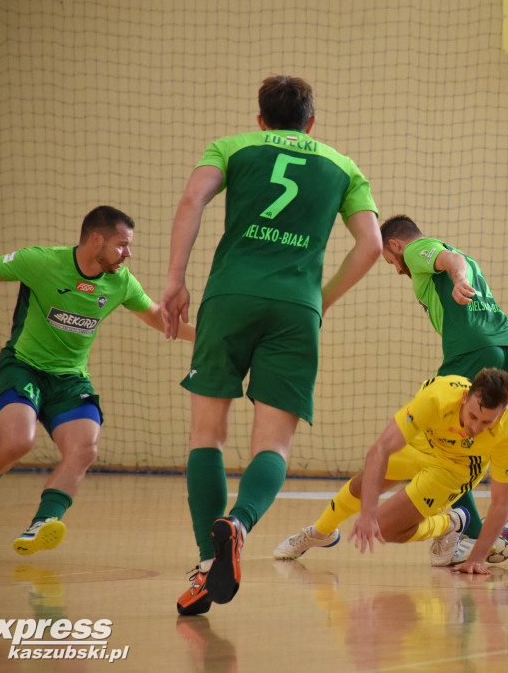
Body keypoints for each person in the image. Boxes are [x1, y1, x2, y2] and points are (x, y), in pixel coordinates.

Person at [162, 74, 381, 616]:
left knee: (206, 435)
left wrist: (175, 279)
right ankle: (238, 525)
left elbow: (193, 198)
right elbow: (372, 245)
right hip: (295, 307)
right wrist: (319, 300)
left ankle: (205, 563)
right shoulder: (342, 165)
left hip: (228, 295)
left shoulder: (233, 146)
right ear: (312, 122)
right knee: (273, 445)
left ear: (260, 119)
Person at [0, 206, 192, 555]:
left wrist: (210, 339)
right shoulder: (41, 261)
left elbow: (159, 318)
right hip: (23, 367)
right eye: (122, 244)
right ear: (96, 239)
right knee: (18, 442)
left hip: (70, 380)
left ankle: (42, 523)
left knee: (85, 447)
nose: (128, 253)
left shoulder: (121, 282)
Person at [376, 214, 508, 565]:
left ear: (395, 245)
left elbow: (450, 262)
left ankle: (468, 533)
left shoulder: (417, 250)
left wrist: (456, 279)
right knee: (507, 437)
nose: (396, 269)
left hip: (473, 348)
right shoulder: (465, 254)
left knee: (442, 437)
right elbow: (456, 259)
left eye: (390, 260)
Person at [273, 369, 508, 575]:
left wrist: (476, 558)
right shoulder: (436, 399)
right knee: (362, 487)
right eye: (473, 416)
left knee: (385, 528)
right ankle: (320, 532)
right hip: (424, 441)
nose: (475, 427)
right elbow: (379, 451)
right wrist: (366, 513)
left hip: (457, 467)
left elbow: (500, 503)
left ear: (502, 413)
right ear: (465, 398)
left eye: (487, 422)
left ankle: (448, 525)